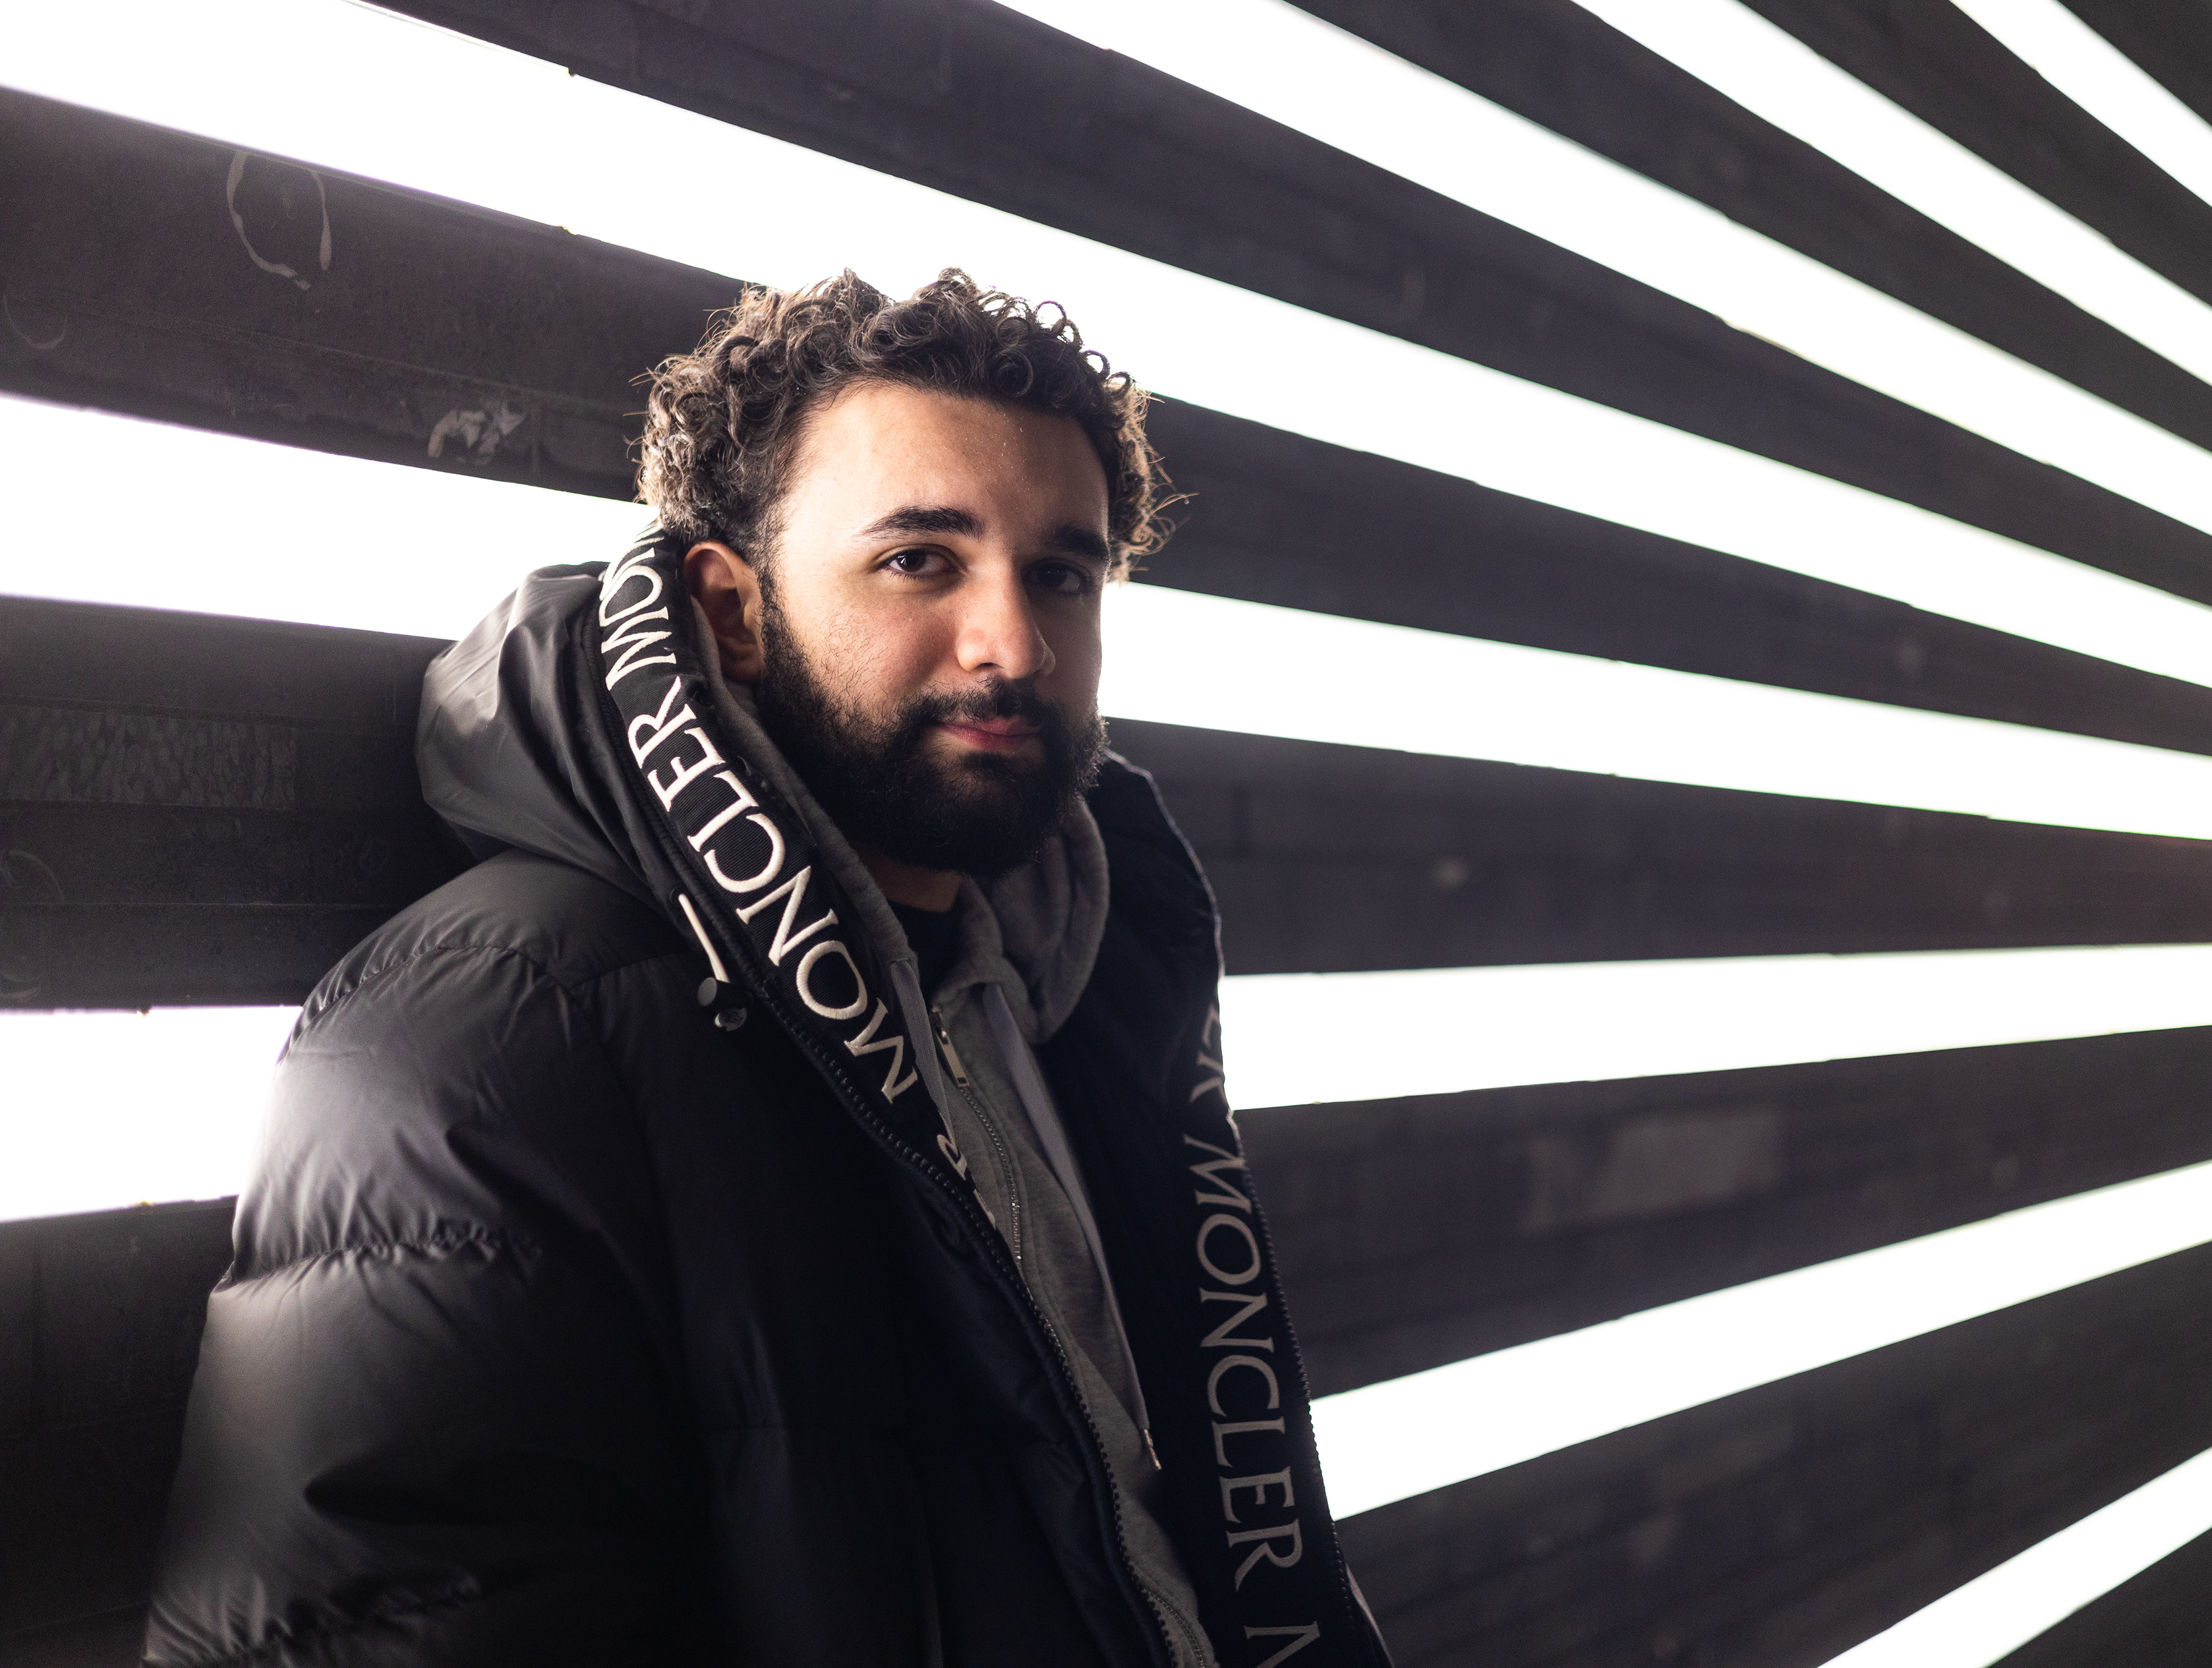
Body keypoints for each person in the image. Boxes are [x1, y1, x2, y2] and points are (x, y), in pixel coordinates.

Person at [144, 271, 1387, 1668]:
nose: (1016, 644)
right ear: (731, 613)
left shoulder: (1067, 1000)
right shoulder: (498, 1027)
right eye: (920, 559)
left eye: (1060, 573)